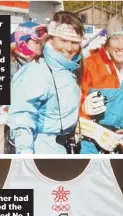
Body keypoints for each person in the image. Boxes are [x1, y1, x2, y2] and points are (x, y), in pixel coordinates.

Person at [7, 11, 84, 154]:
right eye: (63, 40)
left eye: (74, 42)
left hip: (64, 150)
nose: (69, 48)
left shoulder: (68, 70)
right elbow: (22, 118)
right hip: (41, 152)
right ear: (50, 39)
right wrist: (26, 158)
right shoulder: (36, 71)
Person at [79, 14, 123, 154]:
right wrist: (84, 109)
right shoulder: (90, 64)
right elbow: (70, 111)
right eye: (115, 39)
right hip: (90, 146)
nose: (120, 46)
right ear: (108, 42)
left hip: (121, 147)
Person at [5, 21, 48, 154]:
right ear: (22, 42)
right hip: (19, 131)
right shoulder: (12, 66)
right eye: (35, 43)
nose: (39, 48)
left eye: (41, 44)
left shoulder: (41, 64)